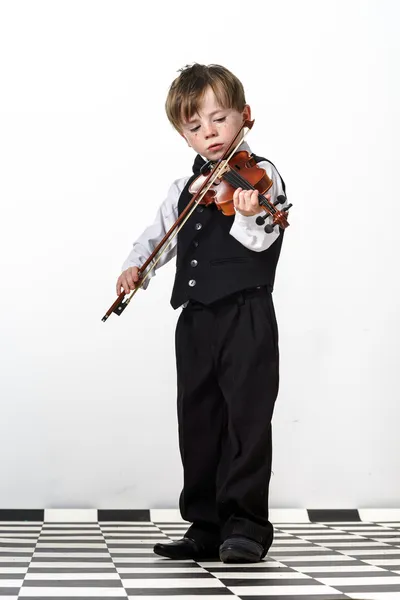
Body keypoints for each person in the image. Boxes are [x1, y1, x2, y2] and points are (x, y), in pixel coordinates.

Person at [117, 63, 288, 563]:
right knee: (198, 418)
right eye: (195, 126)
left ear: (244, 116)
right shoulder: (184, 189)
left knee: (247, 420)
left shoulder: (259, 178)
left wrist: (247, 210)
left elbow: (262, 239)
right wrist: (135, 270)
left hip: (247, 313)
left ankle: (247, 526)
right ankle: (205, 525)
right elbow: (158, 238)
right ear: (183, 133)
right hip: (195, 319)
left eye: (219, 118)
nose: (209, 132)